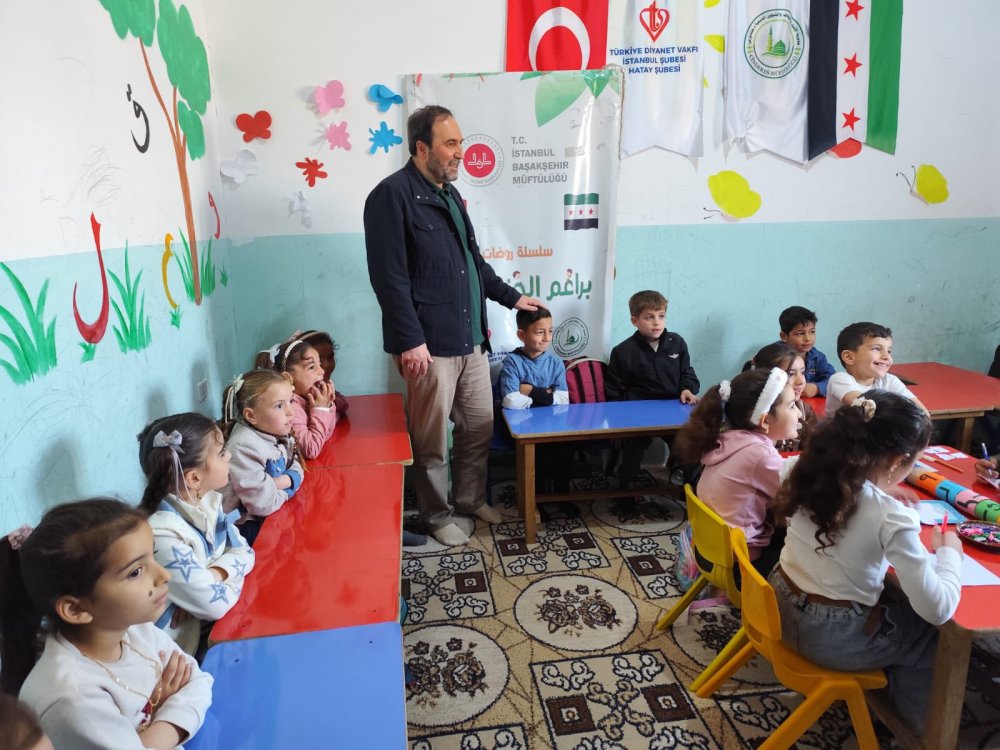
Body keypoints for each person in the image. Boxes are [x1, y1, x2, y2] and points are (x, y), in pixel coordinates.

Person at [364, 104, 542, 547]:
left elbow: (472, 263)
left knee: (478, 427)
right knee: (430, 441)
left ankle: (468, 499)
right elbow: (389, 279)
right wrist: (410, 341)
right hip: (428, 346)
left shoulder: (450, 195)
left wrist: (512, 297)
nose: (461, 152)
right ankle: (437, 515)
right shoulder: (391, 196)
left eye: (460, 142)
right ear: (422, 148)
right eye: (450, 143)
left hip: (472, 340)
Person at [770, 391, 962, 730]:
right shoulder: (891, 517)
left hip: (777, 608)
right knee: (930, 638)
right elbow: (938, 609)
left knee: (894, 602)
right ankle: (915, 732)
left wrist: (875, 490)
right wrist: (949, 554)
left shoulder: (798, 469)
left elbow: (846, 497)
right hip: (831, 637)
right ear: (896, 461)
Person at [0, 499, 213, 749]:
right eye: (135, 572)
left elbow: (198, 681)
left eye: (153, 555)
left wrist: (155, 724)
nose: (164, 575)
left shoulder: (126, 626)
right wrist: (164, 715)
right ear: (76, 609)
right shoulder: (71, 697)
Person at [137, 412, 255, 655]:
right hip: (177, 657)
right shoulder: (162, 537)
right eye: (222, 452)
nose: (229, 455)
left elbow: (247, 551)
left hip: (208, 630)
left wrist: (214, 574)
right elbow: (215, 606)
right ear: (194, 478)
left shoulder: (208, 504)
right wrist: (209, 590)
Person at [672, 368, 800, 574]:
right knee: (808, 547)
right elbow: (797, 498)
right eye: (792, 406)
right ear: (765, 420)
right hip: (739, 564)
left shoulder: (729, 438)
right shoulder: (760, 454)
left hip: (709, 550)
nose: (799, 413)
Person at [606, 290, 700, 489]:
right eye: (649, 317)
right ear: (635, 321)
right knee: (632, 454)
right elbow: (614, 391)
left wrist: (687, 389)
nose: (657, 322)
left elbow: (687, 372)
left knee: (689, 450)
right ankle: (625, 494)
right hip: (638, 416)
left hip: (673, 411)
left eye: (661, 316)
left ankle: (691, 490)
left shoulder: (677, 343)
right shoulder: (623, 351)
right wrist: (623, 419)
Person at [221, 369, 304, 544]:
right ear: (251, 415)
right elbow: (263, 504)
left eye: (290, 401)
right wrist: (291, 485)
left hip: (270, 515)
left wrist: (282, 482)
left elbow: (296, 464)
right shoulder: (243, 446)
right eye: (279, 406)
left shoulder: (272, 430)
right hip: (245, 529)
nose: (291, 412)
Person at [499, 307, 572, 492]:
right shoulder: (512, 361)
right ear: (521, 335)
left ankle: (561, 496)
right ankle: (537, 498)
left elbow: (563, 399)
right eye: (540, 332)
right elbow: (510, 401)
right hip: (524, 426)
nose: (547, 338)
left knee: (565, 449)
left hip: (552, 425)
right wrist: (546, 395)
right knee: (538, 453)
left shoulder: (555, 362)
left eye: (550, 331)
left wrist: (529, 390)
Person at [255, 337, 338, 460]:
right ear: (288, 377)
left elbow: (325, 435)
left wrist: (328, 404)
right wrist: (321, 409)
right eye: (311, 367)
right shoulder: (291, 405)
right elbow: (310, 449)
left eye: (319, 364)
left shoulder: (306, 398)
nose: (322, 371)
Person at [824, 322, 928, 417]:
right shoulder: (839, 379)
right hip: (843, 431)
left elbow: (920, 411)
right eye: (876, 348)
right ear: (849, 357)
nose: (886, 357)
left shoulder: (889, 380)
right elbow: (864, 406)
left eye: (889, 351)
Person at [744, 342, 817, 451]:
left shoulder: (804, 410)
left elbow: (814, 449)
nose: (801, 381)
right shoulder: (751, 416)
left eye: (802, 372)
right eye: (790, 374)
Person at [777, 306, 835, 397]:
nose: (808, 338)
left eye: (812, 332)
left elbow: (833, 380)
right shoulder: (774, 356)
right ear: (784, 336)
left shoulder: (817, 357)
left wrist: (817, 388)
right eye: (800, 333)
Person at [297, 329, 349, 414]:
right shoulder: (292, 401)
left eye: (330, 357)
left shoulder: (322, 386)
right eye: (319, 360)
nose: (326, 365)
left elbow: (344, 403)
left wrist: (330, 401)